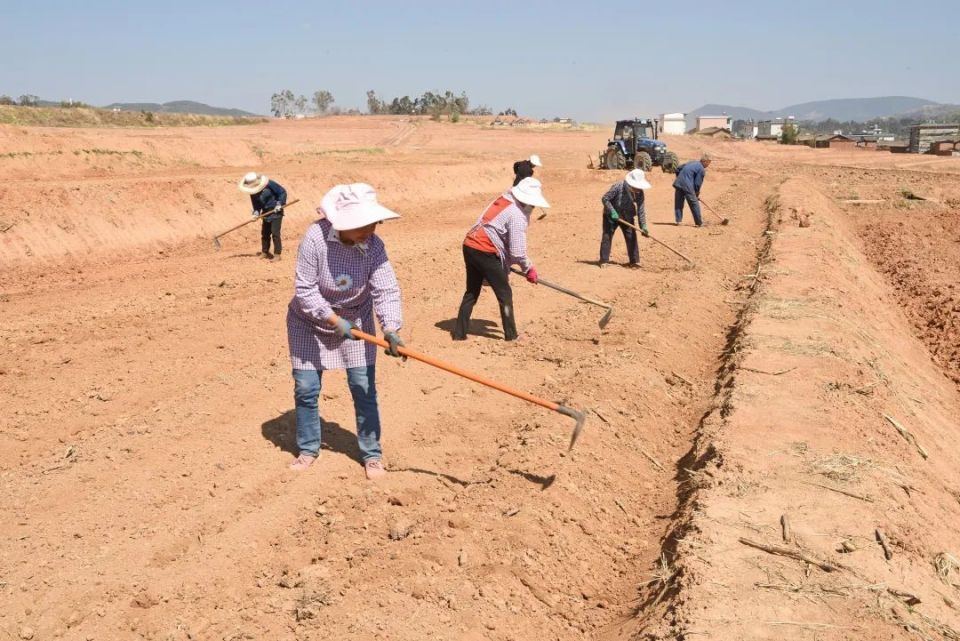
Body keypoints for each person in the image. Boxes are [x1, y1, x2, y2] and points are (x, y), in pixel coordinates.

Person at [286, 183, 405, 479]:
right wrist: (332, 319)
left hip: (357, 319)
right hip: (309, 321)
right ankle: (308, 448)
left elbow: (386, 289)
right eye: (363, 224)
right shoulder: (315, 238)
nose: (371, 229)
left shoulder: (374, 246)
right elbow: (305, 289)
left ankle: (371, 453)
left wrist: (390, 328)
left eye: (373, 223)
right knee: (306, 388)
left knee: (363, 388)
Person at [453, 177, 550, 342]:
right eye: (533, 204)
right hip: (485, 250)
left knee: (471, 291)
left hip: (470, 245)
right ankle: (511, 336)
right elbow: (518, 251)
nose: (533, 208)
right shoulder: (517, 215)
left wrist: (502, 263)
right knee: (505, 293)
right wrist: (529, 269)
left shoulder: (503, 199)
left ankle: (459, 334)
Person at [600, 169, 651, 269]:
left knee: (631, 236)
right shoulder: (618, 186)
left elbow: (641, 209)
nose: (637, 189)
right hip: (611, 216)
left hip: (627, 216)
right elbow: (605, 198)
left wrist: (643, 225)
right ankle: (604, 260)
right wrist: (612, 211)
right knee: (607, 236)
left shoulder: (640, 192)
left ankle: (634, 261)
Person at [238, 171, 288, 259]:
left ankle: (277, 254)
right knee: (265, 233)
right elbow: (255, 203)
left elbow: (282, 192)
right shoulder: (252, 191)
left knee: (275, 233)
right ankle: (265, 252)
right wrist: (256, 213)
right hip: (265, 212)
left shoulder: (269, 184)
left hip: (276, 211)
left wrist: (279, 204)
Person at [673, 153, 711, 227]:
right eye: (708, 163)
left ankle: (678, 221)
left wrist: (680, 178)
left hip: (678, 183)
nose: (708, 165)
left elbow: (678, 169)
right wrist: (696, 193)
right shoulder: (701, 169)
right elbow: (697, 184)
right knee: (694, 203)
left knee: (678, 202)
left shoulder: (692, 162)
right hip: (687, 186)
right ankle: (699, 223)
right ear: (705, 161)